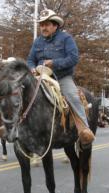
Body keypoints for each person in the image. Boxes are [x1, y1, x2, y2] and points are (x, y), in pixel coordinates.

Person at [27, 9, 95, 145]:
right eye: (41, 25)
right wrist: (32, 68)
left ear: (55, 25)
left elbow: (73, 58)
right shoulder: (37, 42)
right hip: (40, 77)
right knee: (23, 93)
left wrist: (54, 63)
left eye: (46, 24)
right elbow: (30, 59)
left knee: (73, 96)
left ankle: (84, 129)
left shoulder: (66, 39)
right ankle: (16, 127)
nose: (43, 27)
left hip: (61, 77)